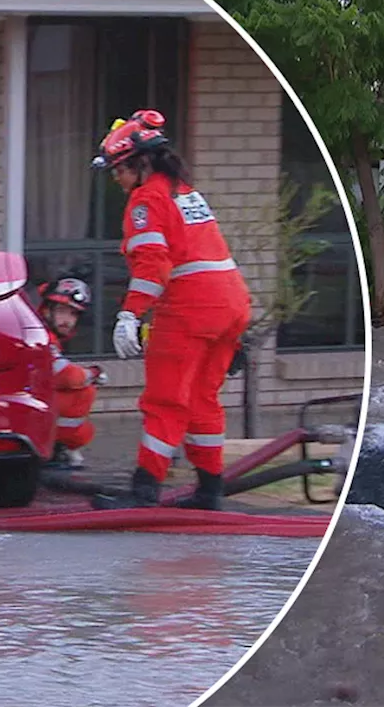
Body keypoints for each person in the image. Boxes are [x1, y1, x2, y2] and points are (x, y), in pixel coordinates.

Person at [88, 109, 252, 511]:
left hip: (189, 310)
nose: (117, 179)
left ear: (141, 163)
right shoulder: (184, 191)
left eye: (120, 170)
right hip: (231, 305)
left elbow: (153, 264)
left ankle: (145, 490)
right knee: (203, 401)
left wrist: (130, 314)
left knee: (166, 401)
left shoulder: (147, 200)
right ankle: (210, 490)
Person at [35, 276, 108, 470]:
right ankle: (56, 447)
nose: (67, 320)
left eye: (73, 314)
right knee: (83, 392)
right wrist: (93, 373)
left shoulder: (41, 333)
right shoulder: (41, 337)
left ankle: (56, 446)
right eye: (61, 311)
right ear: (47, 309)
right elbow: (66, 376)